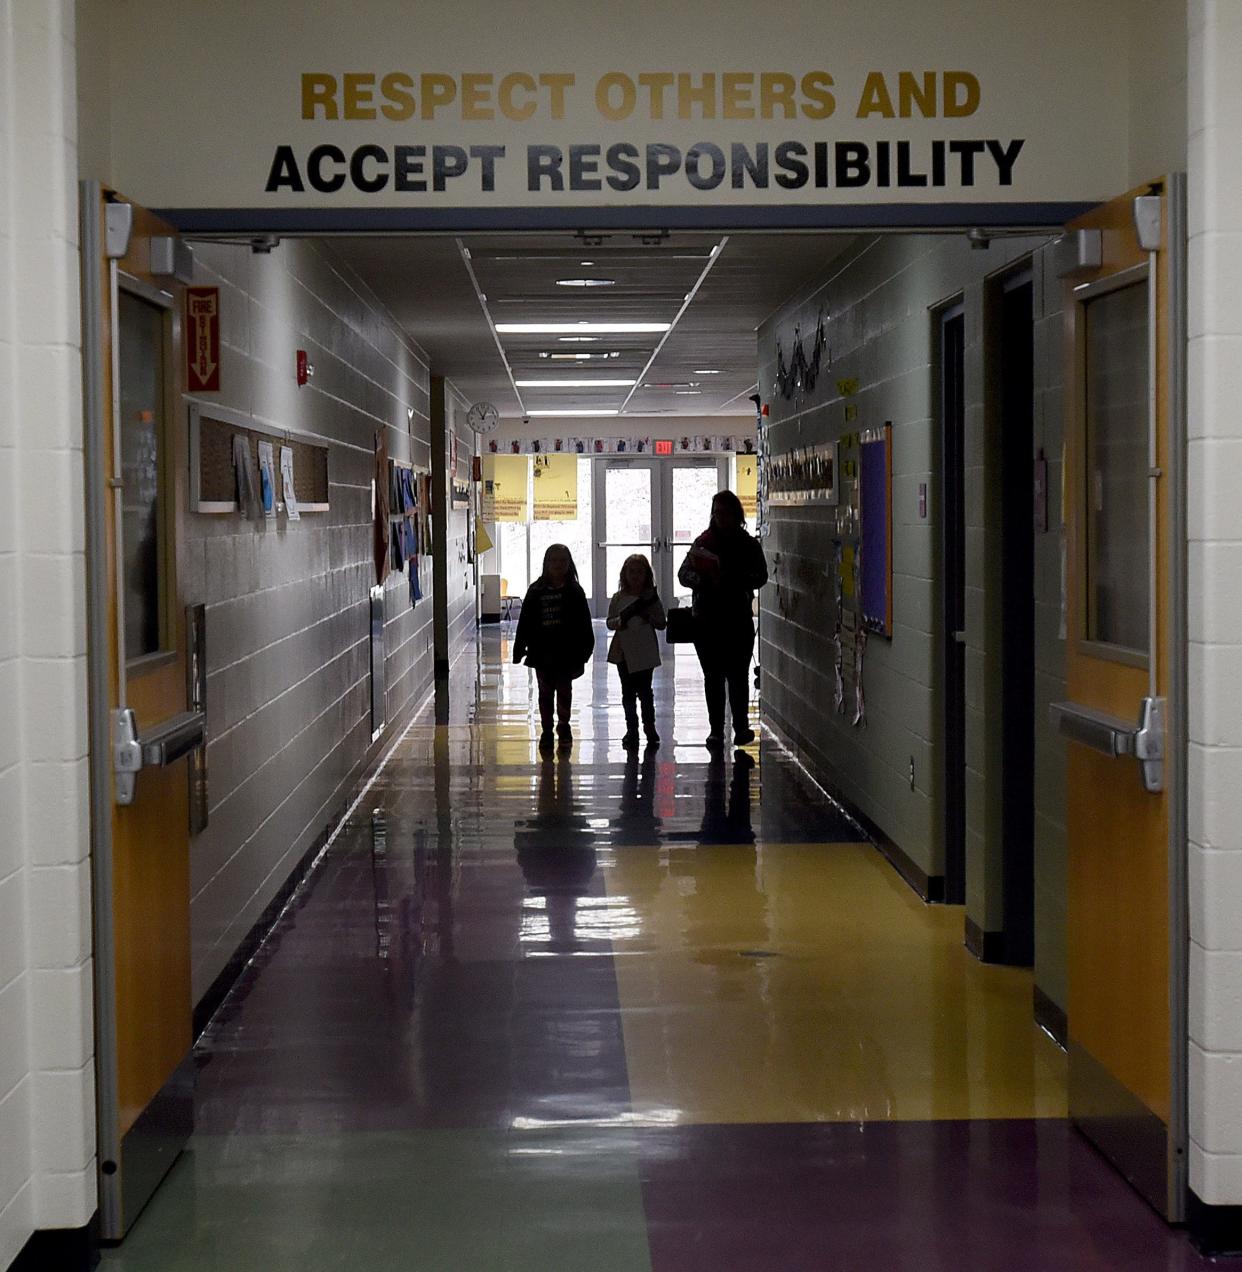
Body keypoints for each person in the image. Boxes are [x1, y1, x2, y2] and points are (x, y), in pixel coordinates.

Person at [678, 489, 769, 749]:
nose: (720, 517)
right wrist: (704, 581)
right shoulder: (703, 542)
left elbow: (760, 576)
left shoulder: (748, 545)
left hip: (736, 618)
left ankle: (740, 727)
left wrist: (732, 579)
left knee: (738, 675)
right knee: (713, 676)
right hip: (706, 619)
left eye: (725, 513)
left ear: (735, 514)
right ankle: (716, 730)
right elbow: (683, 573)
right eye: (716, 513)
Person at [513, 543, 595, 751]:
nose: (558, 565)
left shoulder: (575, 591)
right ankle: (547, 729)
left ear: (569, 564)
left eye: (562, 561)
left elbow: (584, 622)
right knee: (545, 692)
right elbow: (526, 621)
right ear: (546, 564)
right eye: (553, 560)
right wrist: (520, 646)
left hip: (567, 652)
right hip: (543, 652)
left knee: (565, 690)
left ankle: (564, 725)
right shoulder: (536, 591)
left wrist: (586, 648)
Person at [606, 553, 667, 750]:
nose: (635, 576)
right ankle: (631, 729)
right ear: (624, 574)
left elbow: (661, 622)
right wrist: (619, 622)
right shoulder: (618, 598)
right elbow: (610, 621)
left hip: (644, 651)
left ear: (646, 575)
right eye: (631, 572)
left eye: (639, 572)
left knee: (645, 692)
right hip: (623, 651)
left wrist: (647, 615)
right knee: (628, 692)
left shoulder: (650, 600)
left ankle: (649, 727)